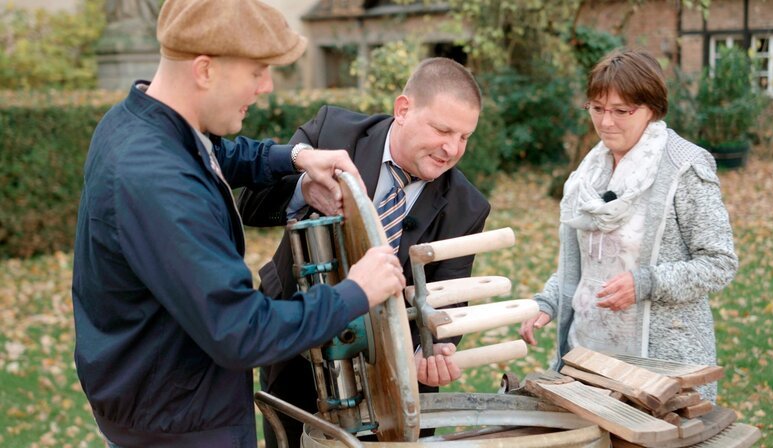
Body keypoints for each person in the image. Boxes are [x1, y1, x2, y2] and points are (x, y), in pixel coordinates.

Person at [71, 1, 405, 447]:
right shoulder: (157, 179)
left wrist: (297, 158)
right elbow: (243, 331)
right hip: (180, 430)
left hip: (163, 403)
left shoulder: (138, 125)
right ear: (205, 70)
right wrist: (355, 293)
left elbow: (216, 154)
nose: (266, 86)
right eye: (257, 71)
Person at [237, 57, 490, 446]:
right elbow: (250, 206)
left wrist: (435, 349)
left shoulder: (468, 206)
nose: (451, 148)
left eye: (464, 137)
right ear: (403, 109)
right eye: (442, 129)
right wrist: (303, 188)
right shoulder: (332, 131)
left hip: (387, 377)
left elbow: (449, 298)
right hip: (296, 348)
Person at [519, 48, 738, 401]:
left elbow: (719, 264)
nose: (606, 122)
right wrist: (548, 302)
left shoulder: (686, 168)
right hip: (588, 356)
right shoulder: (588, 173)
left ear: (652, 108)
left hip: (663, 370)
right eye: (597, 108)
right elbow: (587, 262)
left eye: (622, 111)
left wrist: (646, 283)